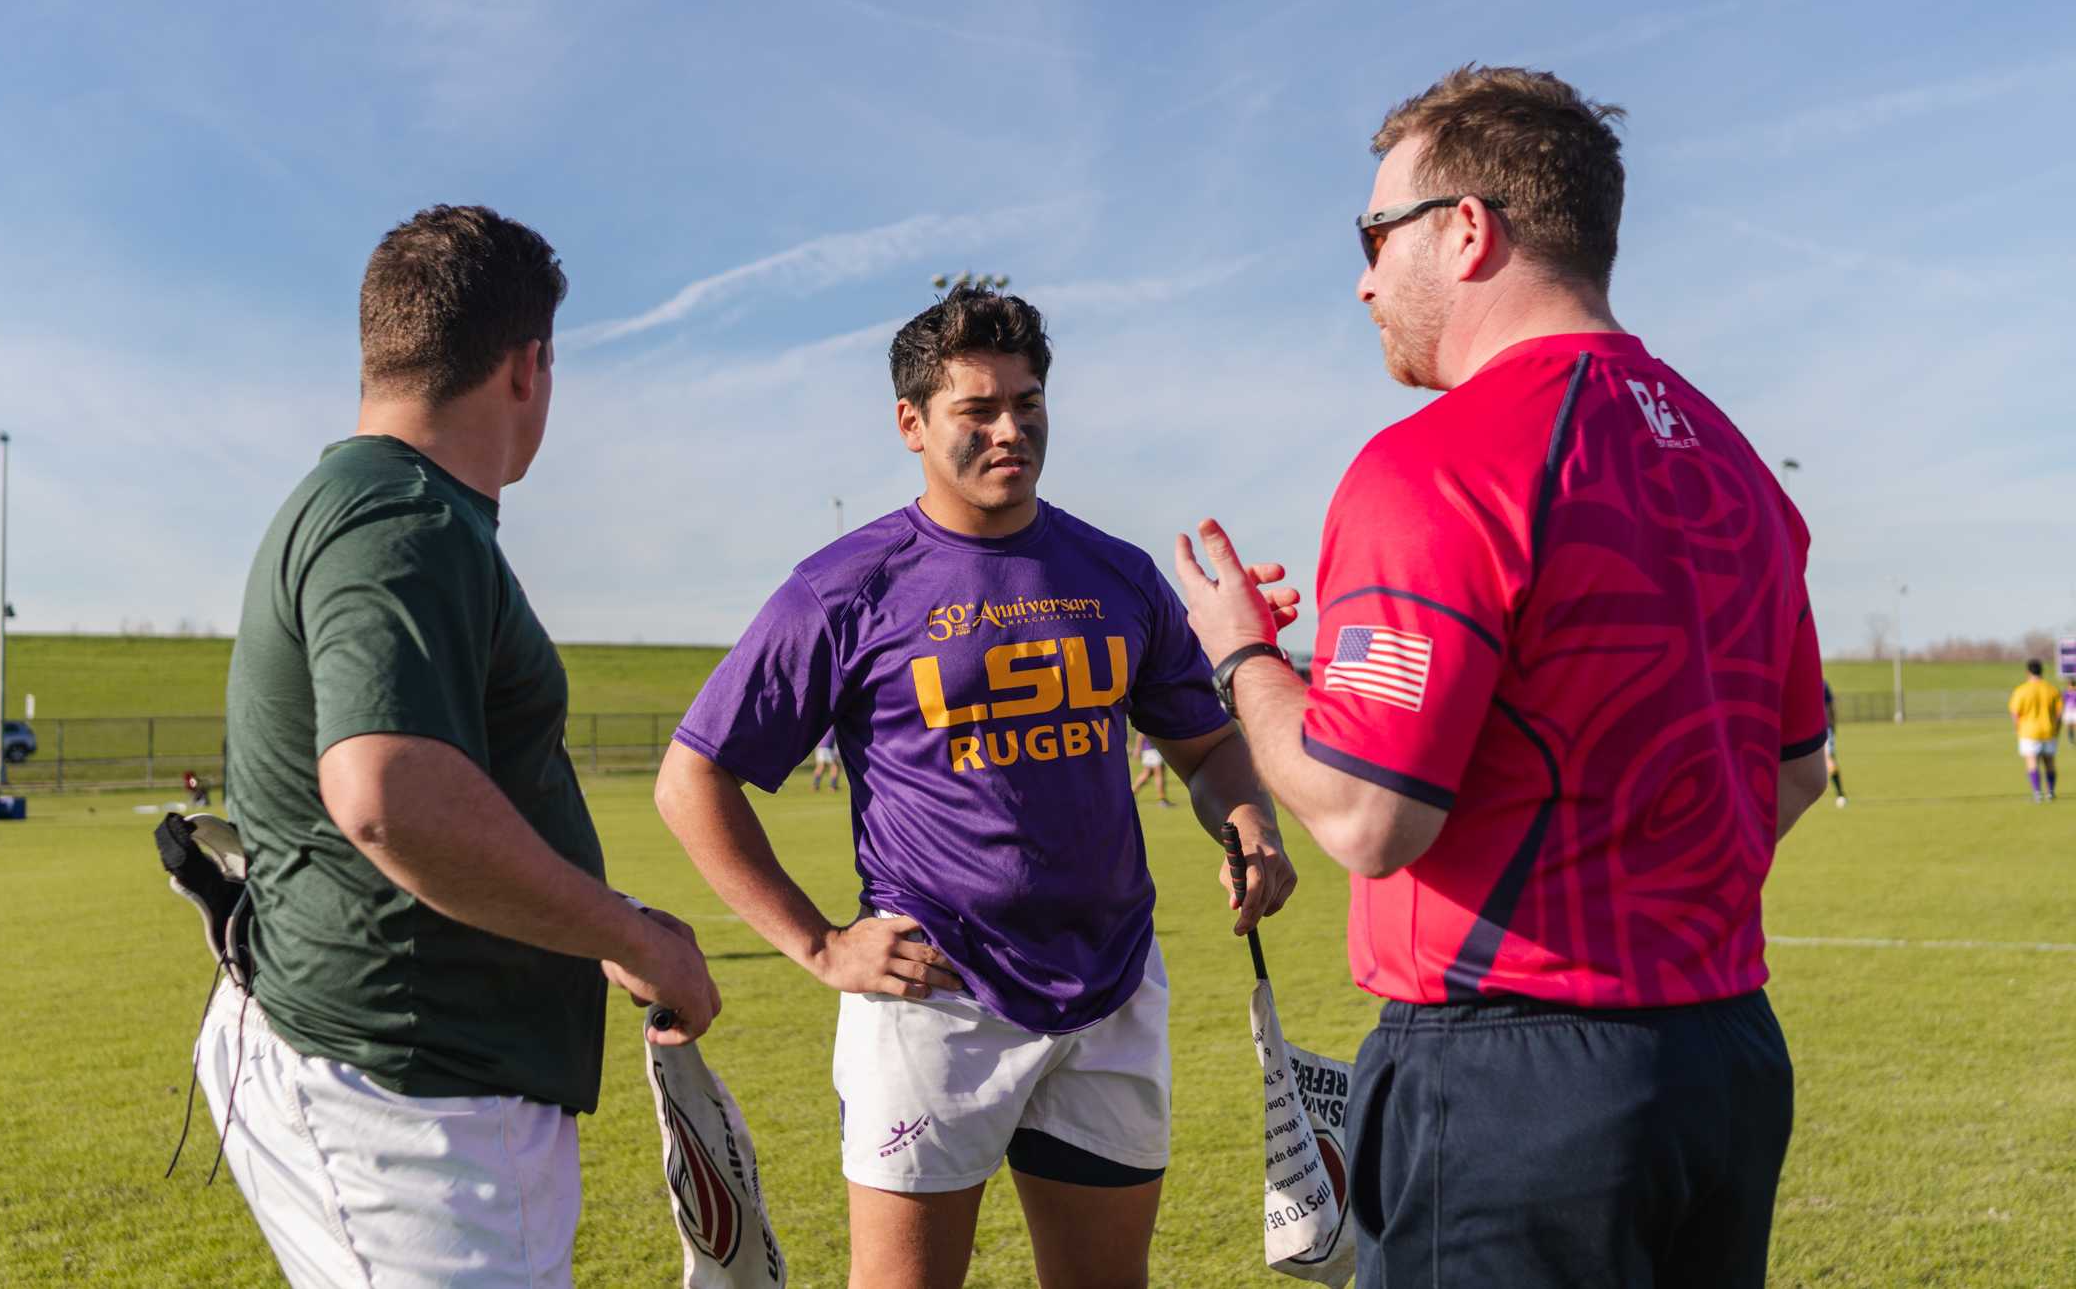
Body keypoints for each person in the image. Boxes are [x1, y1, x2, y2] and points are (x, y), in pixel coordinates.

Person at [1170, 66, 1826, 1289]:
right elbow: (1789, 779)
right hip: (1725, 1057)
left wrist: (1245, 654)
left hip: (1514, 1083)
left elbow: (1369, 819)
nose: (1362, 279)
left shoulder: (1439, 461)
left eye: (1373, 234)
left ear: (1465, 230)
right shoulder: (1739, 466)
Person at [654, 285, 1295, 1289]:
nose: (1012, 431)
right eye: (978, 411)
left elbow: (1208, 749)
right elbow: (694, 776)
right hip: (933, 1000)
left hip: (1112, 983)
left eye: (1028, 405)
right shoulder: (844, 586)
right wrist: (819, 943)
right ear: (910, 424)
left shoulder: (1116, 574)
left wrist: (1248, 818)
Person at [208, 205, 719, 1287]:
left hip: (398, 1075)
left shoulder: (374, 501)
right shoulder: (404, 518)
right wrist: (628, 934)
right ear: (530, 366)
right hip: (409, 1100)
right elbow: (388, 791)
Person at [2009, 659, 2060, 802]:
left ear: (2027, 672)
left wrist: (2017, 728)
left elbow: (2015, 713)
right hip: (2049, 730)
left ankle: (2037, 793)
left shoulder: (2021, 690)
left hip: (2028, 731)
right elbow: (2058, 712)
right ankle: (2050, 792)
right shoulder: (2051, 689)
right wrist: (2056, 728)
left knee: (2032, 761)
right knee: (2049, 762)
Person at [1127, 725, 1174, 807]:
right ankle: (1162, 800)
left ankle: (1130, 795)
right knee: (1159, 774)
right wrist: (1137, 748)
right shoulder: (1152, 716)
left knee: (1147, 774)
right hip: (1152, 749)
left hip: (1152, 749)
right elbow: (1140, 733)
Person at [1824, 679, 1849, 807]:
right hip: (1823, 729)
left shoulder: (1818, 684)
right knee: (1829, 759)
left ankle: (1840, 794)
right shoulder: (1823, 684)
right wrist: (1833, 727)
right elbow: (1830, 707)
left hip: (1815, 730)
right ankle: (1840, 794)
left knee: (1828, 760)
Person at [813, 725, 843, 790]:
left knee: (820, 766)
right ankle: (833, 786)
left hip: (820, 747)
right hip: (827, 748)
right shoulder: (834, 725)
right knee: (834, 766)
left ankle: (815, 785)